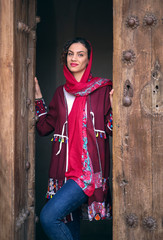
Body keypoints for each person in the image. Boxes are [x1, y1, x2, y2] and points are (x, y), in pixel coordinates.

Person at [35, 37, 114, 240]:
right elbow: (44, 128)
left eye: (80, 54)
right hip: (64, 173)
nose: (74, 58)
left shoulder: (102, 89)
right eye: (70, 53)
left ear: (88, 60)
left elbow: (111, 128)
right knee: (70, 228)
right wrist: (37, 100)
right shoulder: (61, 93)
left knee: (48, 217)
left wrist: (117, 108)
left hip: (86, 174)